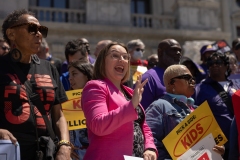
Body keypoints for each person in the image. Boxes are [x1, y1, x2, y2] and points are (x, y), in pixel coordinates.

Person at [0, 9, 71, 160]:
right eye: (32, 28)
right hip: (9, 151)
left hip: (46, 152)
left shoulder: (49, 68)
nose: (38, 34)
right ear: (11, 34)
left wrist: (64, 146)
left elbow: (58, 115)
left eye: (41, 30)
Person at [81, 42, 157, 160]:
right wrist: (131, 105)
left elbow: (142, 125)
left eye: (125, 57)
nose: (122, 60)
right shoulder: (95, 87)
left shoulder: (130, 92)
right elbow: (98, 125)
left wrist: (150, 148)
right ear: (103, 62)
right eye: (115, 55)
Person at [145, 64, 225, 160]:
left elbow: (215, 141)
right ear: (172, 84)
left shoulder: (198, 109)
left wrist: (219, 148)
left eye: (193, 78)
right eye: (187, 78)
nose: (193, 81)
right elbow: (150, 141)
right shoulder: (159, 107)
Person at [193, 51, 240, 160]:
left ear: (226, 66)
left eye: (218, 62)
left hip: (236, 142)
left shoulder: (236, 86)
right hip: (215, 145)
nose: (214, 65)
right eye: (210, 63)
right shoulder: (199, 89)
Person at [140, 39, 182, 110]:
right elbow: (141, 113)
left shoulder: (181, 77)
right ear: (160, 52)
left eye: (179, 50)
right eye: (173, 50)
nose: (178, 53)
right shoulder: (148, 79)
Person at [68, 60, 93, 160]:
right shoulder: (66, 101)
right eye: (69, 75)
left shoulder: (100, 98)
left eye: (74, 74)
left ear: (87, 75)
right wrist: (67, 145)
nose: (70, 78)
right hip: (75, 155)